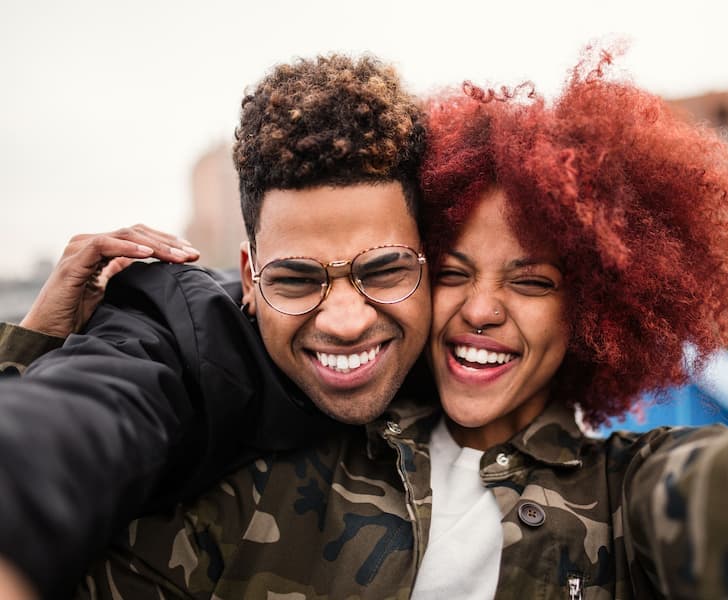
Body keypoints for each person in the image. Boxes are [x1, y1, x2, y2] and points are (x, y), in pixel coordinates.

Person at [8, 53, 728, 598]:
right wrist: (29, 358)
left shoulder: (631, 506)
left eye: (533, 279)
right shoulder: (270, 470)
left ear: (595, 300)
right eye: (452, 271)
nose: (480, 308)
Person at [0, 54, 432, 599]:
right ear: (250, 280)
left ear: (429, 262)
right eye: (296, 280)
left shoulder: (470, 342)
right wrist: (34, 348)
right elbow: (75, 420)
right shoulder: (181, 333)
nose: (346, 321)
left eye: (384, 270)